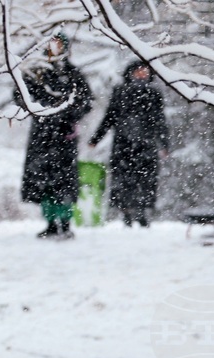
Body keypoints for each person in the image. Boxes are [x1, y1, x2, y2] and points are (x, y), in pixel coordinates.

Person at [16, 33, 93, 240]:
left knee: (64, 182)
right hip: (42, 135)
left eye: (58, 44)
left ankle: (65, 222)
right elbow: (20, 95)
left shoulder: (73, 74)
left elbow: (86, 101)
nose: (55, 47)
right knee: (44, 182)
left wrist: (68, 115)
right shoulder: (36, 72)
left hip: (65, 136)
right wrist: (39, 110)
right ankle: (50, 222)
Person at [88, 61, 168, 229]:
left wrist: (164, 143)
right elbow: (110, 117)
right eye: (138, 71)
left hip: (146, 144)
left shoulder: (153, 93)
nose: (141, 74)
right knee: (123, 180)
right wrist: (96, 138)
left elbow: (160, 120)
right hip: (123, 144)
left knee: (145, 180)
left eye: (144, 71)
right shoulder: (121, 91)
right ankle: (126, 212)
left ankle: (141, 212)